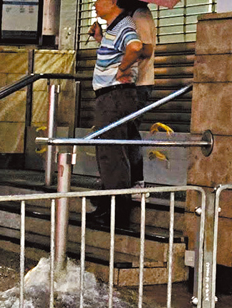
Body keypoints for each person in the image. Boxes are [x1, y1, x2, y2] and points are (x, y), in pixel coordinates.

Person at [87, 0, 143, 229]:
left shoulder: (124, 25)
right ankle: (109, 208)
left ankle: (116, 214)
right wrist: (101, 39)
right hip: (112, 96)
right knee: (112, 153)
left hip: (114, 96)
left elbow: (135, 46)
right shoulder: (114, 27)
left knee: (112, 154)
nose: (95, 4)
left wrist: (122, 69)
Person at [92, 0, 156, 186]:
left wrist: (123, 67)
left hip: (136, 83)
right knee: (120, 136)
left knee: (128, 135)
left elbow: (144, 48)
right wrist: (102, 39)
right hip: (125, 85)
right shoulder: (124, 18)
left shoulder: (139, 15)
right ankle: (117, 183)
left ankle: (134, 182)